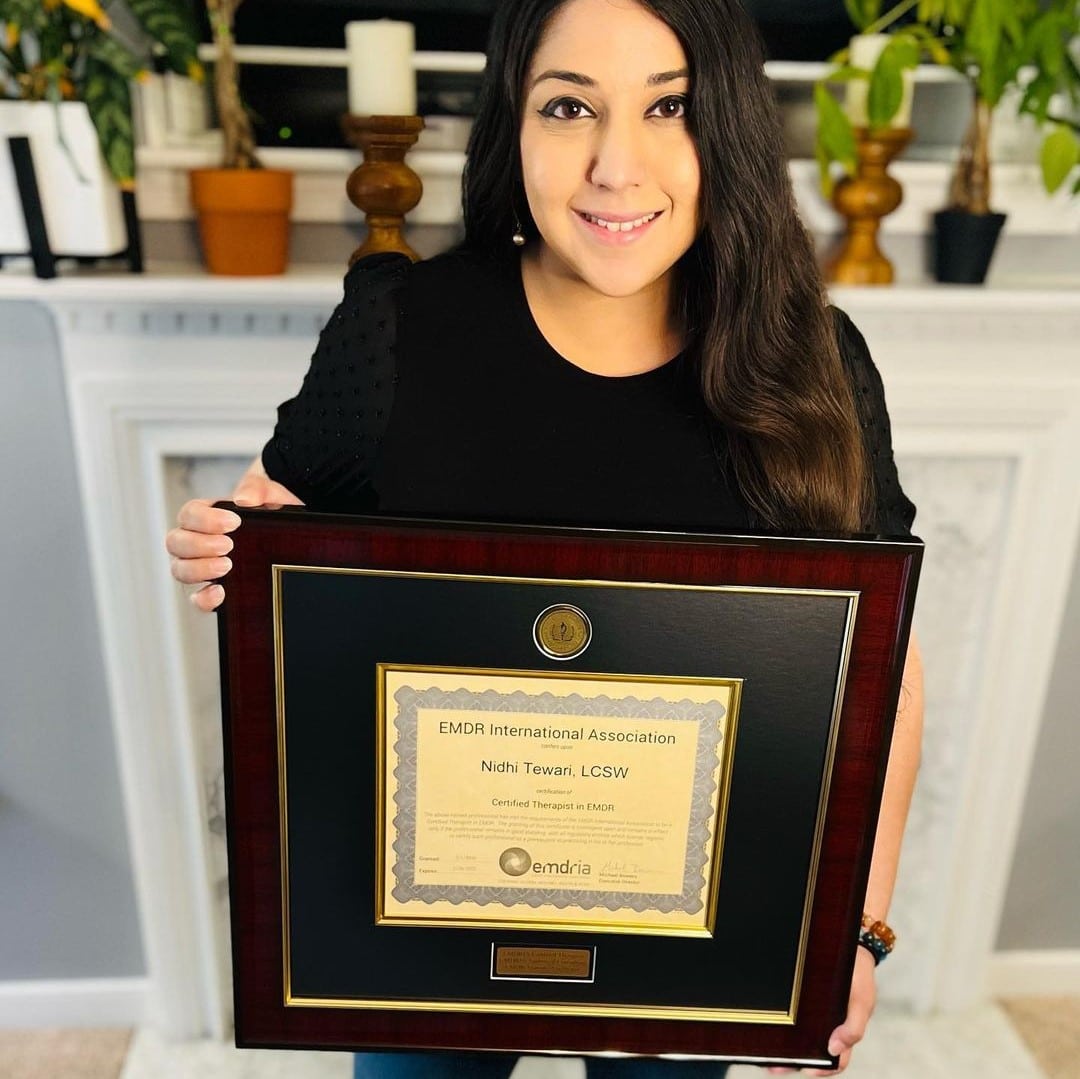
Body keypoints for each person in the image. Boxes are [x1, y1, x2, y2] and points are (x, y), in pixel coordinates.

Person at [166, 0, 925, 1076]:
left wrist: (856, 928)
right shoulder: (399, 328)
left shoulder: (815, 358)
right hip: (414, 930)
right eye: (569, 105)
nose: (619, 165)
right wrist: (230, 552)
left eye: (672, 107)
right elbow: (283, 540)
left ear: (734, 129)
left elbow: (887, 663)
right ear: (509, 128)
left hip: (698, 926)